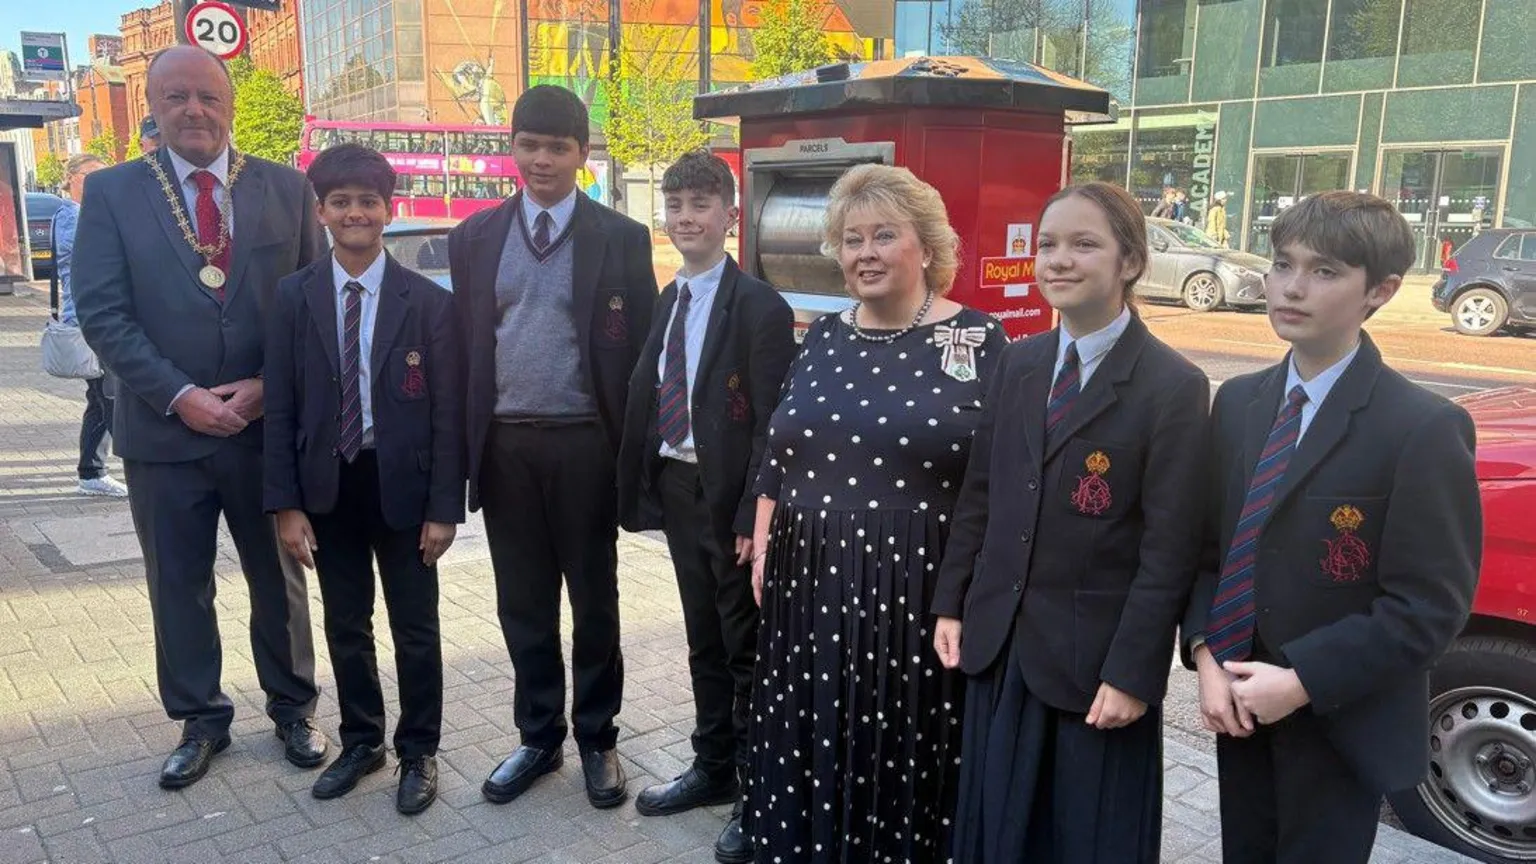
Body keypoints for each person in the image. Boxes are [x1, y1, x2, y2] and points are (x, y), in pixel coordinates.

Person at [1180, 191, 1481, 863]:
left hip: (1340, 718)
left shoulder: (1420, 427)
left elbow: (1429, 606)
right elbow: (1210, 552)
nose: (1291, 287)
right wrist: (1204, 652)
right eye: (1283, 264)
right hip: (1242, 706)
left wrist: (1302, 681)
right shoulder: (1238, 404)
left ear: (1381, 290)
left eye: (1324, 271)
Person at [73, 45, 328, 789]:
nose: (194, 110)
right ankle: (200, 719)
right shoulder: (116, 194)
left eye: (208, 97)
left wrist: (263, 388)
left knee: (279, 577)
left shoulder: (285, 188)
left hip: (262, 431)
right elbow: (104, 313)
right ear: (152, 106)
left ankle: (293, 708)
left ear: (231, 105)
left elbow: (309, 308)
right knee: (178, 583)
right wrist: (180, 394)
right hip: (163, 432)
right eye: (177, 97)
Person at [932, 182, 1209, 863]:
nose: (1058, 260)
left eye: (1084, 244)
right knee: (996, 827)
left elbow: (1169, 548)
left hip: (1094, 668)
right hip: (1002, 647)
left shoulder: (1171, 387)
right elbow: (982, 494)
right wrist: (953, 603)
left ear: (1131, 262)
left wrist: (1135, 673)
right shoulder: (1018, 363)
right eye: (1048, 244)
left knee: (1083, 836)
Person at [747, 163, 1008, 862]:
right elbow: (782, 447)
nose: (865, 253)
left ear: (926, 245)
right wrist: (766, 541)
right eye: (851, 239)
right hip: (809, 586)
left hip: (917, 589)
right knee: (812, 732)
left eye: (883, 235)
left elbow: (1001, 482)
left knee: (903, 744)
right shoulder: (824, 337)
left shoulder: (982, 341)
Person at [447, 84, 656, 810]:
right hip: (505, 446)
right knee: (523, 602)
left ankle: (598, 737)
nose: (542, 160)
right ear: (511, 149)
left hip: (585, 446)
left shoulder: (621, 239)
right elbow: (467, 352)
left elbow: (642, 358)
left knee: (594, 597)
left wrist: (635, 457)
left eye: (558, 147)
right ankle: (539, 736)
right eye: (529, 145)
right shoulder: (473, 238)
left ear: (582, 152)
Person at [263, 143, 464, 815]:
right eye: (341, 201)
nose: (356, 212)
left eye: (369, 201)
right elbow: (282, 404)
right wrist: (286, 505)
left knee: (415, 627)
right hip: (329, 487)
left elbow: (447, 413)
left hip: (401, 487)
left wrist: (444, 508)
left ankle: (419, 750)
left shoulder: (428, 303)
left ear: (388, 209)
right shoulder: (294, 298)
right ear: (321, 211)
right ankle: (361, 740)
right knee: (346, 622)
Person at [616, 151, 795, 863]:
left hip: (734, 504)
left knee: (745, 646)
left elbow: (774, 422)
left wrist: (757, 511)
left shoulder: (759, 306)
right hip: (682, 490)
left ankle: (758, 793)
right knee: (702, 640)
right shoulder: (670, 298)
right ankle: (713, 765)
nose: (687, 217)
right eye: (677, 204)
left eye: (702, 203)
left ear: (730, 214)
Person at [52, 153, 126, 498]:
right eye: (92, 176)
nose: (100, 182)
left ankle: (91, 472)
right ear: (73, 178)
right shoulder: (72, 216)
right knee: (110, 397)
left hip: (92, 318)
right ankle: (124, 468)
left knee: (100, 398)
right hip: (88, 322)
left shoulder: (82, 214)